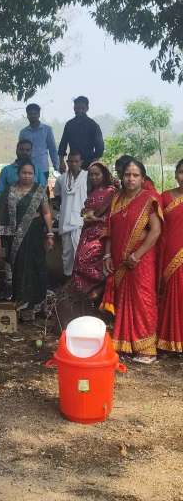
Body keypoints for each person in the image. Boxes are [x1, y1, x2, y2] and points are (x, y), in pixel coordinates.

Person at [101, 160, 162, 364]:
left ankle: (146, 350)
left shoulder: (149, 199)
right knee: (123, 300)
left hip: (141, 260)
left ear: (143, 179)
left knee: (143, 300)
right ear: (122, 176)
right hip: (119, 259)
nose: (131, 179)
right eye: (127, 174)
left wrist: (137, 255)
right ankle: (126, 344)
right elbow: (109, 230)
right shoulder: (116, 199)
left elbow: (155, 231)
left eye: (135, 175)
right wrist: (107, 255)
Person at [0, 160, 54, 320]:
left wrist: (50, 234)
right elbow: (0, 213)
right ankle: (21, 306)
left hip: (35, 235)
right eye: (24, 173)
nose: (27, 176)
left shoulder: (40, 190)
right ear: (18, 174)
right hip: (15, 239)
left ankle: (37, 306)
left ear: (34, 175)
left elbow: (46, 212)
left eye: (30, 173)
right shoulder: (9, 191)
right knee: (19, 270)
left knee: (37, 268)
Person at [71, 162, 116, 300]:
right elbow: (86, 213)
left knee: (88, 260)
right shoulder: (92, 191)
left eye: (97, 174)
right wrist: (86, 215)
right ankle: (86, 293)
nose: (94, 177)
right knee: (79, 259)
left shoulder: (110, 191)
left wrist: (94, 217)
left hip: (101, 232)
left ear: (104, 174)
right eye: (91, 175)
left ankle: (99, 288)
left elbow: (111, 214)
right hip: (87, 232)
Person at [157, 159, 183, 353]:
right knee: (173, 295)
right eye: (181, 172)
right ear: (175, 175)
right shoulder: (164, 197)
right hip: (170, 254)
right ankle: (170, 339)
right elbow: (154, 225)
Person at [53, 150, 88, 277]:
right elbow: (57, 198)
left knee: (81, 251)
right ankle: (68, 278)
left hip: (81, 221)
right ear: (67, 162)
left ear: (81, 162)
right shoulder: (61, 179)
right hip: (66, 220)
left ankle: (81, 280)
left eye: (76, 161)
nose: (73, 164)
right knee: (67, 253)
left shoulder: (87, 177)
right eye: (71, 161)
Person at [58, 96, 104, 171]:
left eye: (82, 108)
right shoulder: (69, 125)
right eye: (77, 108)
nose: (79, 110)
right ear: (74, 108)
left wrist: (94, 164)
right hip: (73, 163)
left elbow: (100, 147)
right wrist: (61, 162)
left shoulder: (93, 125)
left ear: (87, 108)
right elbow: (63, 144)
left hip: (88, 164)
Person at [18, 103, 59, 183]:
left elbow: (52, 149)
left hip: (42, 168)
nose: (33, 116)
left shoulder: (47, 130)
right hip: (26, 169)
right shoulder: (23, 132)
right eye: (30, 114)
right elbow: (20, 151)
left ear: (39, 114)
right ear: (27, 115)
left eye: (35, 114)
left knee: (42, 189)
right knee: (27, 189)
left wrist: (56, 166)